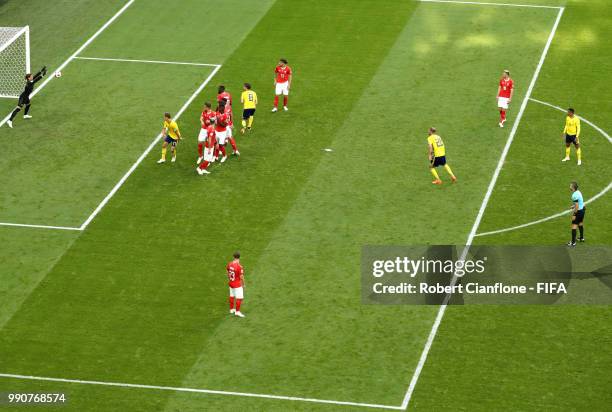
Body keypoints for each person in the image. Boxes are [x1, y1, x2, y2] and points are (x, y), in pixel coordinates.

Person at [226, 251, 245, 318]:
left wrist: (230, 279)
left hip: (231, 283)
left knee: (232, 295)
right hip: (237, 284)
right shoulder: (239, 266)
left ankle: (231, 309)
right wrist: (243, 284)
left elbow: (227, 272)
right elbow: (241, 277)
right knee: (239, 298)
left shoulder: (229, 264)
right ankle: (237, 312)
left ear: (233, 257)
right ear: (239, 257)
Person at [567, 181, 585, 246]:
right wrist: (573, 206)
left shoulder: (574, 195)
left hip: (579, 211)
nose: (569, 187)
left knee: (574, 226)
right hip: (583, 210)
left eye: (570, 186)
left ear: (573, 187)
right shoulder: (578, 192)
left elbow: (577, 206)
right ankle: (581, 238)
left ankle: (573, 242)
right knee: (580, 223)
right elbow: (580, 202)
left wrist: (574, 214)